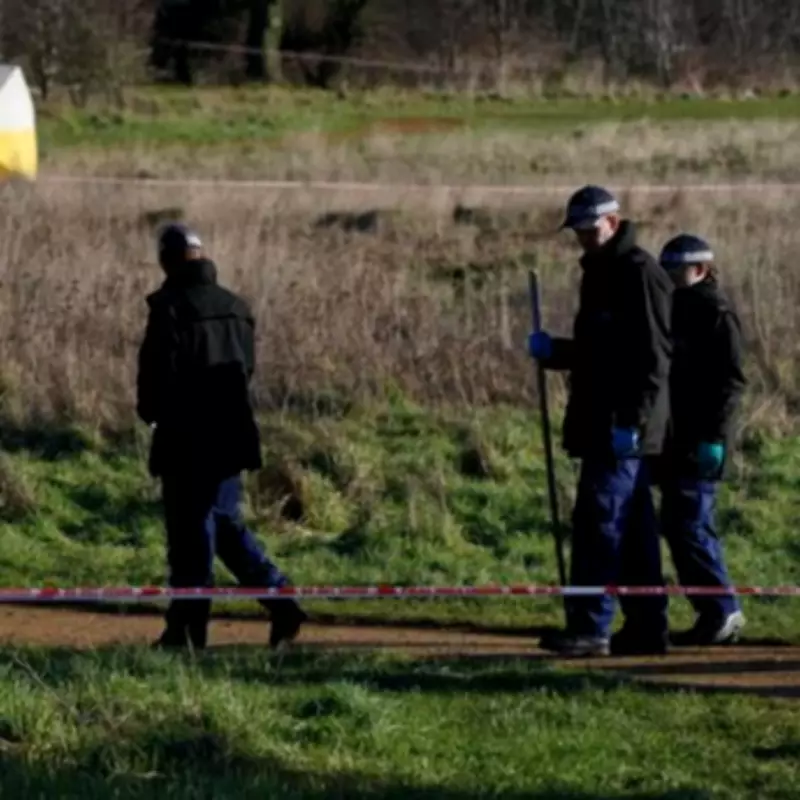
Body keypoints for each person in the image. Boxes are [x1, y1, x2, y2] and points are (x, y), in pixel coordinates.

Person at [136, 223, 307, 650]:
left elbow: (155, 378)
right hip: (231, 436)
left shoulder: (170, 308)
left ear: (167, 260)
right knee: (224, 526)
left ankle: (187, 634)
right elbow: (245, 370)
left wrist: (154, 414)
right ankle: (281, 601)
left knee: (190, 536)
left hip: (186, 439)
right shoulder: (237, 306)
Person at [528, 185, 673, 657]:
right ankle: (648, 627)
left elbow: (654, 358)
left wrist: (633, 419)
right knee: (632, 529)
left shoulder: (639, 273)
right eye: (578, 232)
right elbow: (600, 352)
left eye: (591, 230)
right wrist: (557, 352)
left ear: (614, 221)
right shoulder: (599, 273)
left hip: (622, 426)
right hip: (600, 420)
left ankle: (591, 627)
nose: (584, 239)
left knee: (600, 523)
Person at [658, 234, 746, 645]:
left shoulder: (716, 312)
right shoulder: (670, 308)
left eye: (680, 270)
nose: (674, 278)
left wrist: (715, 438)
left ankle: (722, 609)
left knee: (690, 524)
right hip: (674, 437)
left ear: (702, 269)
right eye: (669, 271)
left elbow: (730, 383)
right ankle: (712, 611)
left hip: (702, 439)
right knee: (679, 525)